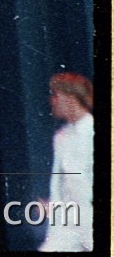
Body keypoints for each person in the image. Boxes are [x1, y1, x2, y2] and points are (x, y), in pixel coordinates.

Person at [40, 72, 93, 251]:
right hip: (68, 228)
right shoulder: (62, 137)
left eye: (56, 95)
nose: (52, 101)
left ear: (70, 98)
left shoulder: (92, 132)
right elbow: (60, 184)